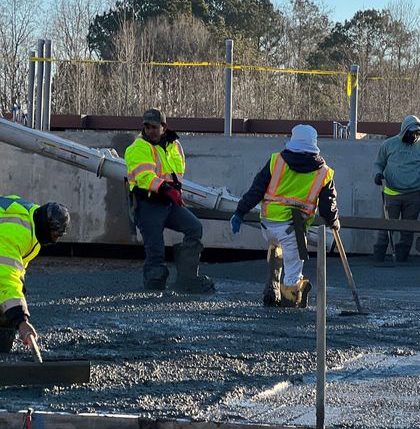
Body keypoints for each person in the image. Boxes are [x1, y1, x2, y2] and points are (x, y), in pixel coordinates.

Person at [230, 124, 339, 308]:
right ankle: (289, 304)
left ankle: (272, 289)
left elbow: (256, 190)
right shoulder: (324, 172)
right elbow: (328, 208)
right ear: (314, 143)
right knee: (293, 275)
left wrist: (240, 212)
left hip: (268, 224)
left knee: (276, 246)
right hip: (293, 230)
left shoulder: (276, 161)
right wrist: (333, 223)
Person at [124, 108, 214, 293]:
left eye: (154, 127)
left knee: (194, 227)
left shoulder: (174, 145)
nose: (150, 131)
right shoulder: (139, 147)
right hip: (148, 205)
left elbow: (177, 171)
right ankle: (153, 292)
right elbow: (144, 177)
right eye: (147, 127)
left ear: (164, 127)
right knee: (155, 253)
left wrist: (175, 191)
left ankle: (187, 277)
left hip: (168, 203)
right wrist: (167, 189)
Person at [0, 195, 70, 357]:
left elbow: (14, 269)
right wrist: (21, 320)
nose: (55, 241)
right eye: (55, 236)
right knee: (6, 304)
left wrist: (19, 294)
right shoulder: (16, 234)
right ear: (47, 229)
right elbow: (6, 279)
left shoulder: (31, 217)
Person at [372, 115, 420, 263]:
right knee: (386, 228)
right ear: (404, 130)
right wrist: (377, 174)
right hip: (391, 193)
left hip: (414, 194)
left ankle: (402, 260)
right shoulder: (389, 144)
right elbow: (378, 163)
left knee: (407, 229)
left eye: (417, 133)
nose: (414, 136)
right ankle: (378, 258)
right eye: (411, 132)